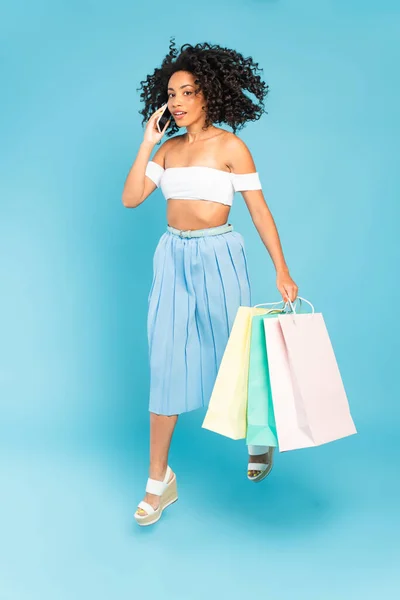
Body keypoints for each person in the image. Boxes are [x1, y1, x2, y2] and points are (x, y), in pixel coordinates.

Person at [122, 39, 298, 526]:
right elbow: (131, 197)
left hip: (220, 254)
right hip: (172, 257)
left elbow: (259, 213)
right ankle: (159, 482)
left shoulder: (231, 147)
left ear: (209, 94)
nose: (176, 101)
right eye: (171, 93)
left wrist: (282, 270)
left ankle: (259, 435)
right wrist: (145, 143)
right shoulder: (168, 150)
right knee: (164, 360)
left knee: (236, 355)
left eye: (187, 91)